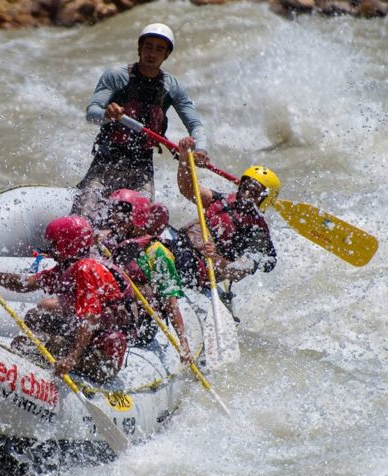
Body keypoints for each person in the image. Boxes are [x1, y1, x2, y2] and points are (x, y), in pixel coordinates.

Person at [71, 22, 209, 225]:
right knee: (83, 218)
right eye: (148, 46)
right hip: (107, 159)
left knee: (140, 224)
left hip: (142, 166)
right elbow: (92, 113)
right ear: (139, 49)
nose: (152, 53)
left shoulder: (172, 87)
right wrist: (107, 115)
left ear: (167, 55)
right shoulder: (117, 76)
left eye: (159, 49)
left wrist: (201, 149)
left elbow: (195, 124)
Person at [0, 216, 129, 383]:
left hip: (103, 358)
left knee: (24, 343)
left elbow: (91, 318)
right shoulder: (68, 267)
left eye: (55, 244)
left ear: (68, 244)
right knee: (34, 316)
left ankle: (39, 385)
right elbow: (24, 284)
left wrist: (72, 357)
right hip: (88, 341)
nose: (51, 249)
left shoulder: (87, 269)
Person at [171, 139, 279, 290]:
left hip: (198, 270)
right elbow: (188, 188)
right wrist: (184, 157)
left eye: (253, 192)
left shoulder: (257, 234)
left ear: (264, 200)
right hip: (180, 246)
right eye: (245, 187)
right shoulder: (223, 201)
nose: (246, 195)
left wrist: (214, 257)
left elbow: (238, 272)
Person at [100, 190, 192, 364]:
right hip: (111, 306)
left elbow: (170, 303)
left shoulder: (157, 252)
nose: (116, 217)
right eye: (114, 211)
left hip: (139, 323)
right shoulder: (109, 240)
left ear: (137, 216)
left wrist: (183, 344)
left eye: (123, 212)